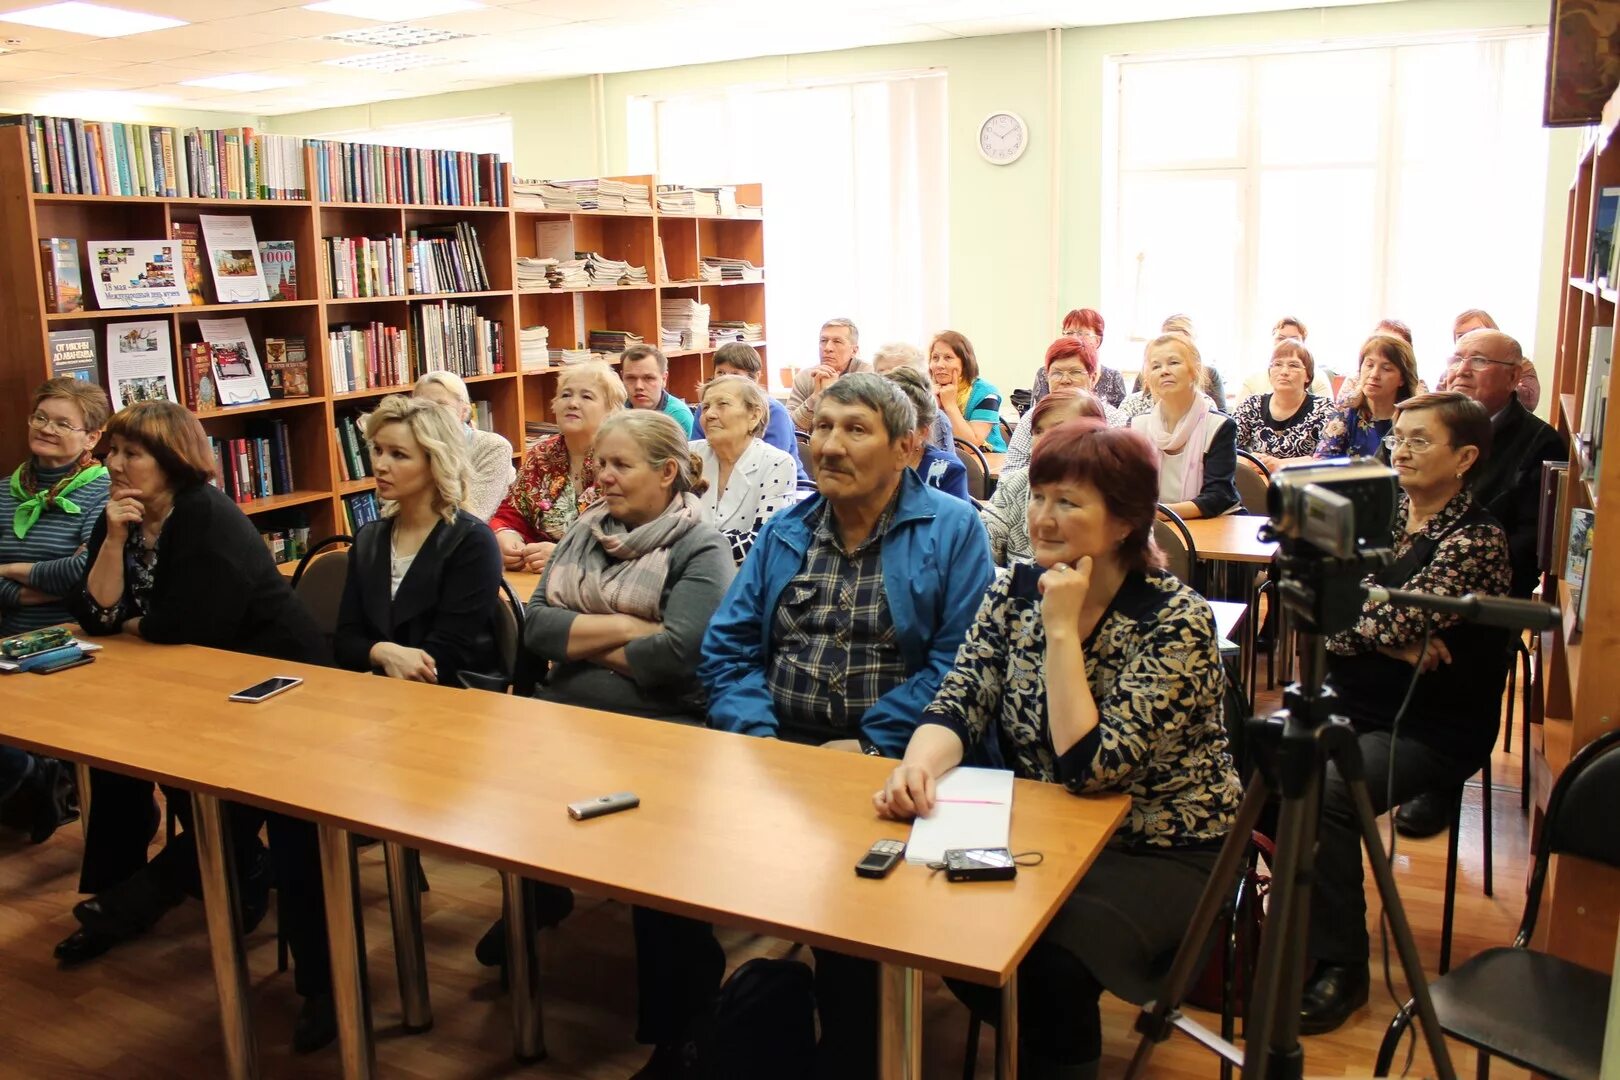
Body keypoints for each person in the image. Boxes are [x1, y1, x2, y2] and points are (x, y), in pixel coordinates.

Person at [878, 419, 1241, 1078]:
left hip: (1162, 846)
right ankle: (1048, 1044)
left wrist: (1062, 633)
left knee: (1048, 963)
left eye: (1068, 502)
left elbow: (1091, 767)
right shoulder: (1013, 588)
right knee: (934, 918)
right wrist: (917, 767)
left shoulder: (1176, 618)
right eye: (1039, 495)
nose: (1041, 517)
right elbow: (959, 700)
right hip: (1049, 828)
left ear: (1127, 521)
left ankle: (1056, 1051)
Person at [700, 373, 992, 1075]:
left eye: (854, 429)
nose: (827, 445)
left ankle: (853, 1049)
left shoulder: (953, 530)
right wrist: (760, 743)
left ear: (907, 449)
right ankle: (702, 1037)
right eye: (822, 427)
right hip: (779, 748)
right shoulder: (787, 528)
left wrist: (867, 743)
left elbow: (961, 666)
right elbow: (728, 648)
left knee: (853, 905)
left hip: (890, 758)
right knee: (669, 876)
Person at [63, 401, 337, 1052]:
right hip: (204, 690)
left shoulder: (206, 518)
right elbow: (98, 615)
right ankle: (119, 897)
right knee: (117, 761)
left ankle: (319, 983)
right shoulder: (130, 520)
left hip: (290, 691)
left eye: (132, 454)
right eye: (112, 453)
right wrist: (111, 541)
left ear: (173, 459)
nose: (115, 466)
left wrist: (135, 623)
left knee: (256, 804)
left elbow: (183, 627)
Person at [1300, 392, 1512, 1034]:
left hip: (1433, 726)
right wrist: (1394, 638)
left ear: (1466, 457)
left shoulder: (1478, 539)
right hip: (1351, 701)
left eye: (1421, 440)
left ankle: (1343, 966)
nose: (1402, 449)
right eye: (1398, 436)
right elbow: (1316, 612)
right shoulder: (1380, 514)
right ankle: (1295, 927)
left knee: (1328, 791)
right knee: (1265, 764)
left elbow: (1350, 613)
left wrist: (1368, 620)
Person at [1393, 329, 1566, 840]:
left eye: (1480, 360)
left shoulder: (1540, 442)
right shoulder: (1424, 431)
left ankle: (1437, 777)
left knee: (1454, 649)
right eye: (1458, 357)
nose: (1463, 368)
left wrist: (1452, 573)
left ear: (1514, 377)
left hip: (1485, 595)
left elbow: (1529, 547)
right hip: (1412, 580)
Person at [0, 378, 111, 842]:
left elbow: (84, 574)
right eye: (41, 417)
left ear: (92, 437)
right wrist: (20, 590)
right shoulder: (5, 492)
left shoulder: (103, 491)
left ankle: (36, 781)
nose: (46, 428)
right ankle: (30, 778)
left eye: (63, 423)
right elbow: (62, 573)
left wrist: (7, 570)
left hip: (70, 638)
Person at [333, 394, 503, 685]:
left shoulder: (472, 542)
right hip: (380, 692)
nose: (381, 465)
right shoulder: (369, 539)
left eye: (398, 454)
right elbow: (345, 641)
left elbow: (447, 656)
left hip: (453, 699)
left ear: (434, 462)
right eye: (377, 450)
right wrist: (384, 652)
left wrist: (373, 655)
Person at [490, 360, 622, 573]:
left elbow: (633, 536)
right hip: (536, 579)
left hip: (601, 580)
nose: (572, 403)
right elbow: (510, 513)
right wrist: (506, 535)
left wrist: (566, 555)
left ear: (611, 410)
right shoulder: (541, 456)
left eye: (586, 396)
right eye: (565, 395)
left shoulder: (622, 459)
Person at [981, 389, 1105, 565]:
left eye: (1058, 430)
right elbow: (979, 555)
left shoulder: (1112, 491)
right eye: (1038, 431)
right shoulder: (1016, 483)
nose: (1043, 441)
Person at [689, 375, 799, 563]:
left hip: (746, 579)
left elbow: (763, 542)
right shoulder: (689, 454)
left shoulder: (777, 463)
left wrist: (690, 543)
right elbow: (664, 525)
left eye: (722, 404)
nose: (709, 414)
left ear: (754, 416)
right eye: (705, 407)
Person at [1131, 333, 1239, 519]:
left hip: (1214, 523)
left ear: (1194, 370)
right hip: (1154, 526)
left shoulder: (1219, 426)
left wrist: (1157, 514)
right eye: (1156, 366)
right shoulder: (1137, 427)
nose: (1164, 371)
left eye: (1173, 363)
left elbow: (1218, 497)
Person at [691, 341, 808, 483]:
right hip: (718, 481)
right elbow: (698, 456)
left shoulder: (774, 412)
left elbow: (771, 466)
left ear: (756, 378)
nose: (725, 379)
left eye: (735, 374)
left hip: (784, 486)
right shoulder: (705, 409)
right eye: (720, 373)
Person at [412, 369, 516, 521]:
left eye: (441, 406)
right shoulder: (410, 448)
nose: (431, 415)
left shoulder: (493, 447)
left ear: (464, 411)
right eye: (423, 407)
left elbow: (473, 517)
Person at [1004, 336, 1119, 471]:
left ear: (1092, 378)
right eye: (1057, 373)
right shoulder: (1032, 418)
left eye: (1075, 372)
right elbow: (1008, 475)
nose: (1065, 380)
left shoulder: (1113, 420)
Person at [1231, 337, 1336, 472]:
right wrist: (1249, 459)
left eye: (1293, 365)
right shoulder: (1252, 404)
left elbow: (1328, 458)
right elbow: (1225, 448)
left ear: (1308, 376)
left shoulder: (1324, 409)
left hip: (1303, 485)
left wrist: (1280, 464)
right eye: (1277, 364)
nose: (1284, 372)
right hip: (1259, 483)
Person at [1315, 332, 1419, 461]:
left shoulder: (1413, 417)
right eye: (1369, 365)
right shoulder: (1347, 407)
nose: (1374, 374)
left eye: (1386, 368)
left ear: (1402, 379)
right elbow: (1323, 458)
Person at [882, 364, 971, 501]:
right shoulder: (861, 464)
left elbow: (953, 520)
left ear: (922, 433)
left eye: (897, 426)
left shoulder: (946, 471)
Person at [1436, 308, 1539, 409]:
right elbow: (1437, 406)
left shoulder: (1521, 364)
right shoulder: (1451, 370)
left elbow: (1529, 401)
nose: (1470, 337)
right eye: (1461, 335)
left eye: (1476, 331)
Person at [928, 330, 1006, 452]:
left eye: (948, 358)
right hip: (942, 460)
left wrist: (950, 405)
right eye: (935, 358)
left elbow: (971, 446)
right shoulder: (927, 392)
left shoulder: (986, 393)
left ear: (965, 362)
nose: (939, 365)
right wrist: (931, 405)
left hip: (986, 461)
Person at [1031, 309, 1126, 407]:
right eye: (1069, 333)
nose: (1074, 338)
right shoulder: (1044, 373)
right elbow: (1037, 413)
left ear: (1097, 341)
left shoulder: (1114, 377)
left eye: (1081, 333)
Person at [788, 317, 870, 432]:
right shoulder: (806, 377)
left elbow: (866, 425)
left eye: (837, 341)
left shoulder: (869, 376)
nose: (827, 348)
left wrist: (833, 393)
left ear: (854, 351)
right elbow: (789, 429)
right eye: (823, 341)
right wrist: (816, 397)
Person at [1133, 315, 1227, 410]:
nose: (1164, 371)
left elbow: (1222, 416)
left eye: (1174, 363)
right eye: (1167, 339)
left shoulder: (1210, 379)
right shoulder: (1136, 398)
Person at [873, 341, 954, 449]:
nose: (887, 381)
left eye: (897, 374)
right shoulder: (867, 412)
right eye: (881, 373)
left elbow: (941, 464)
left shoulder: (934, 419)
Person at [1238, 316, 1334, 399]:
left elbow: (1327, 415)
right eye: (1281, 338)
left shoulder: (1318, 377)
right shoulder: (1253, 378)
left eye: (1293, 339)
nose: (1286, 343)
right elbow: (1238, 417)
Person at [621, 344, 695, 436]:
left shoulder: (677, 416)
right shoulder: (615, 410)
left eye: (648, 378)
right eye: (631, 378)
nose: (638, 386)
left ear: (664, 379)